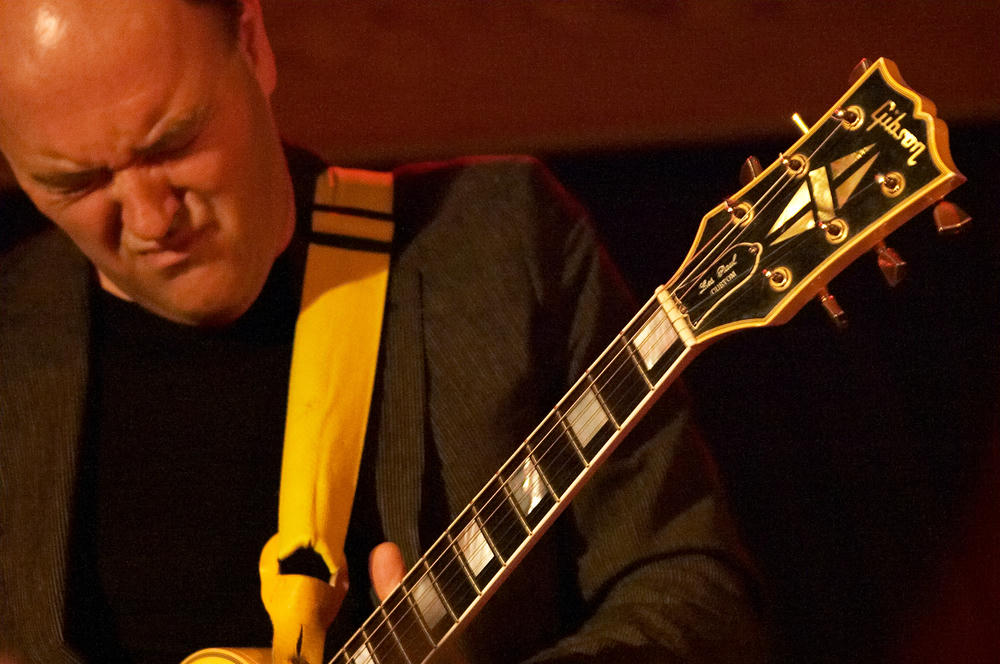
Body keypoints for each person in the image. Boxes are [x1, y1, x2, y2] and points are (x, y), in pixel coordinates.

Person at [0, 1, 769, 662]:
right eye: (77, 181)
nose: (149, 220)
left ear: (253, 44)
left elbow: (693, 588)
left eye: (173, 142)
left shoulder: (500, 248)